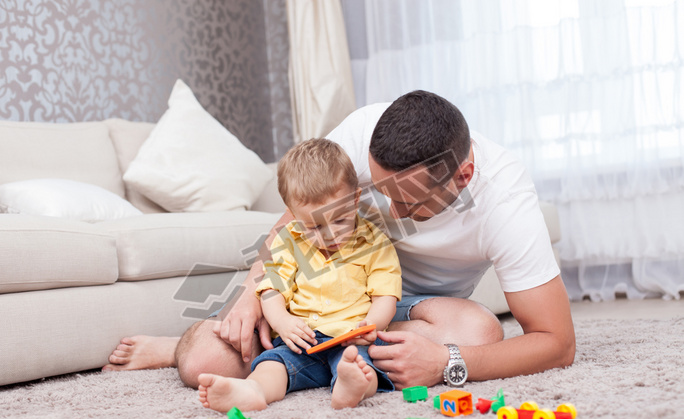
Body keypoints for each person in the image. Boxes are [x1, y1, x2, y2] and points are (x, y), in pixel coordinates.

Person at [104, 90, 575, 390]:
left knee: (478, 333)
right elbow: (292, 226)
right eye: (381, 192)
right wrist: (253, 292)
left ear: (464, 175)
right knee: (205, 362)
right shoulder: (363, 132)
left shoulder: (506, 200)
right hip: (319, 292)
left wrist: (446, 363)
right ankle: (178, 347)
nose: (393, 213)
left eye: (410, 203)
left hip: (403, 310)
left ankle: (307, 360)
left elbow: (557, 344)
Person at [196, 138, 401, 411]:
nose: (329, 235)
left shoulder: (375, 244)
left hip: (349, 339)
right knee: (273, 364)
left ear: (354, 201)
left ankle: (351, 387)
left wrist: (370, 324)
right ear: (292, 215)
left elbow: (385, 296)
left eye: (339, 220)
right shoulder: (287, 241)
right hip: (301, 340)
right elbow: (271, 290)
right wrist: (282, 322)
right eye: (314, 227)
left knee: (361, 366)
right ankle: (253, 391)